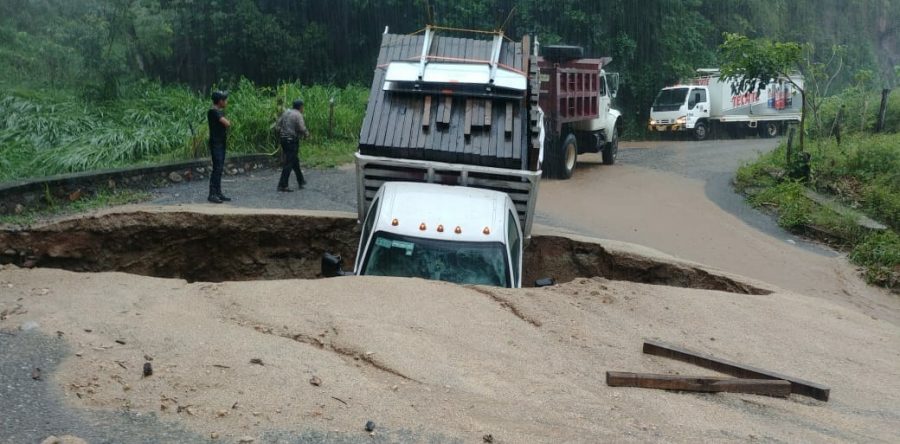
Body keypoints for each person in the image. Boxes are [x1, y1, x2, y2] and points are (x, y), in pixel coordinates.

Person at [274, 99, 309, 192]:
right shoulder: (298, 115)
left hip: (283, 140)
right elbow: (301, 128)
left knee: (294, 161)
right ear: (301, 107)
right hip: (291, 141)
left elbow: (277, 125)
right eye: (303, 107)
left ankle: (301, 180)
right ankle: (283, 185)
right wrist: (306, 134)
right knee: (289, 163)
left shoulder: (286, 112)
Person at [207, 90, 232, 204]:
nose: (226, 102)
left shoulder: (218, 112)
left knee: (220, 168)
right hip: (216, 143)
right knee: (217, 168)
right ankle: (212, 194)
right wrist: (226, 120)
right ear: (220, 101)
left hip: (221, 143)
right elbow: (227, 123)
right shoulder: (213, 111)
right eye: (224, 100)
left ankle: (218, 192)